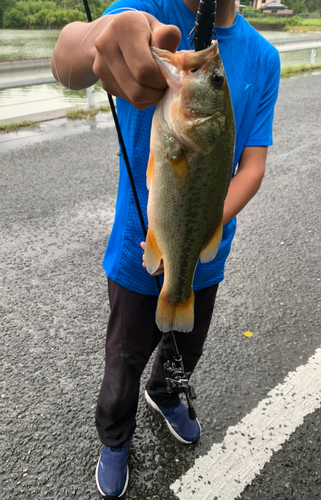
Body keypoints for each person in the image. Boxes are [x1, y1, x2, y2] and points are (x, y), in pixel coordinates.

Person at [52, 0, 280, 496]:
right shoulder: (150, 11)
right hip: (136, 260)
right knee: (123, 361)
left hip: (206, 255)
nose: (209, 71)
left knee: (184, 349)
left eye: (212, 81)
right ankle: (115, 439)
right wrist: (104, 32)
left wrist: (199, 226)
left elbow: (253, 167)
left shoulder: (264, 58)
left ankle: (166, 392)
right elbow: (67, 60)